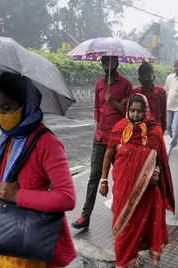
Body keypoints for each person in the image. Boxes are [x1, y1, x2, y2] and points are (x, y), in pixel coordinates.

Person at [0, 72, 76, 268]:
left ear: (26, 104)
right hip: (2, 234)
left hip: (27, 244)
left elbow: (66, 198)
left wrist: (18, 196)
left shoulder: (47, 143)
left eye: (7, 108)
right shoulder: (10, 138)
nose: (2, 115)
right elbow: (1, 187)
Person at [99, 94, 175, 268]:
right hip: (122, 188)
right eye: (132, 110)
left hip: (146, 190)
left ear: (146, 112)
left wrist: (156, 171)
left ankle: (132, 259)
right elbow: (109, 154)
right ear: (127, 110)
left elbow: (159, 158)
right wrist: (104, 180)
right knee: (123, 227)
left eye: (139, 111)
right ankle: (125, 261)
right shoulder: (120, 128)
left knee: (141, 225)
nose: (135, 114)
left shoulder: (153, 132)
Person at [72, 55, 133, 229]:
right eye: (105, 62)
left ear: (117, 64)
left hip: (119, 139)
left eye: (111, 62)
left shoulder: (126, 85)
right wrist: (97, 127)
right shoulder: (99, 84)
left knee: (121, 178)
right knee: (94, 177)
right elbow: (97, 108)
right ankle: (85, 216)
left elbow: (127, 111)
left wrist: (111, 100)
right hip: (100, 138)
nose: (107, 65)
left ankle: (123, 216)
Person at [133, 62, 167, 131]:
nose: (146, 79)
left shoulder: (161, 92)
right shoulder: (135, 92)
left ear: (154, 77)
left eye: (148, 76)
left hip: (156, 129)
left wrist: (162, 130)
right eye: (143, 77)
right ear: (139, 79)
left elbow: (163, 114)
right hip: (139, 130)